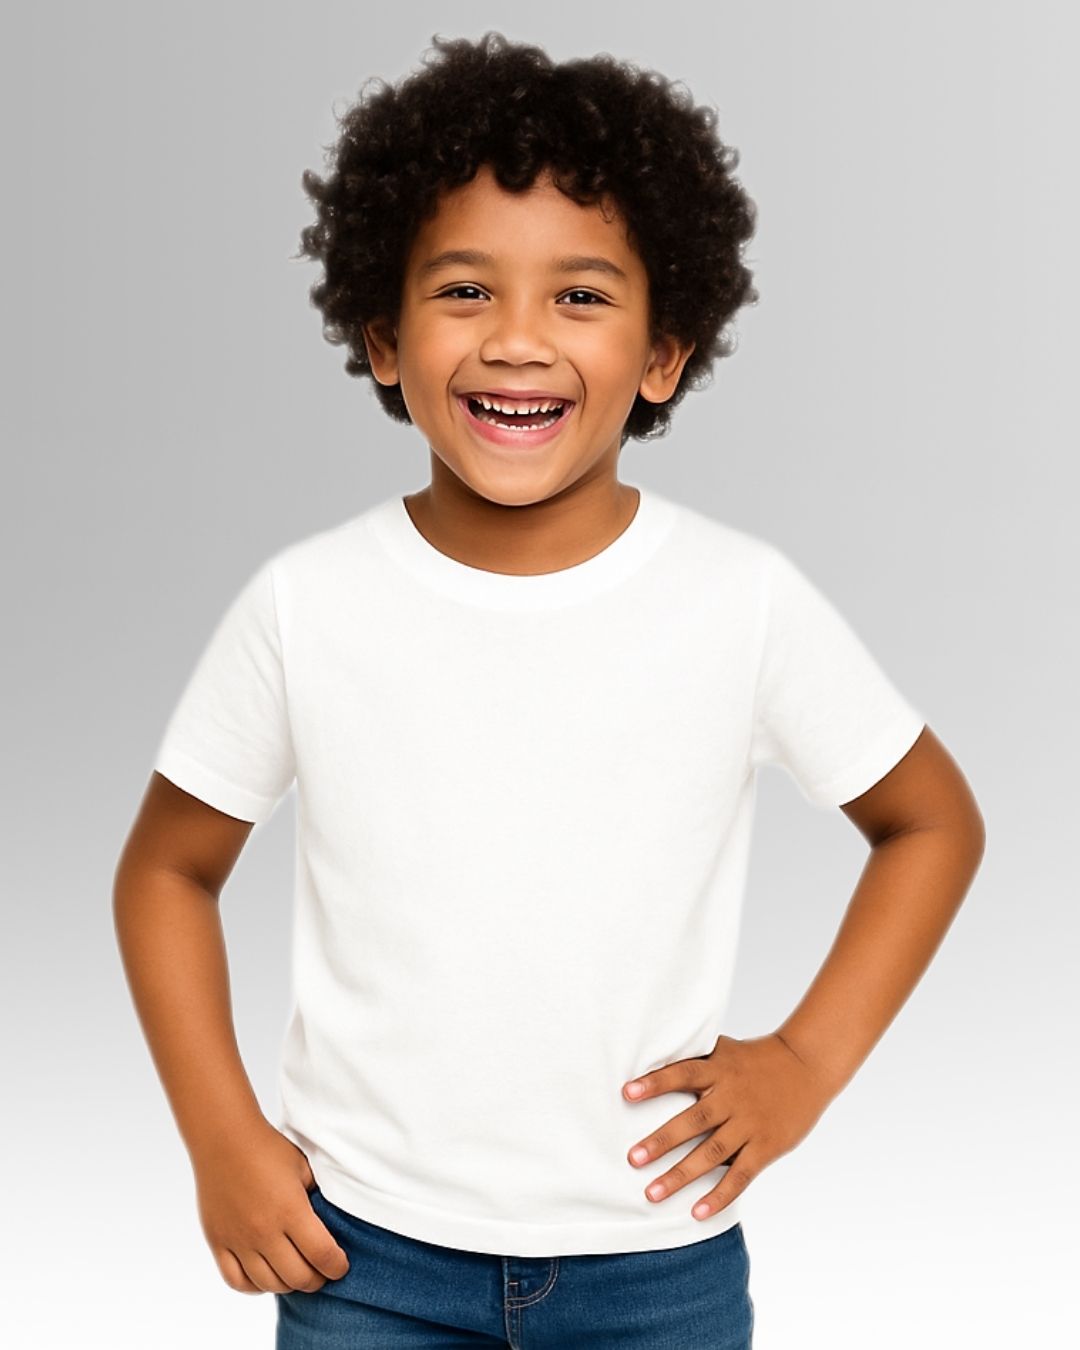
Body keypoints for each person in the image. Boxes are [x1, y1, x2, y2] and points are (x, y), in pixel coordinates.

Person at [113, 31, 985, 1349]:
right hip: (363, 1260)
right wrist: (221, 1136)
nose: (516, 340)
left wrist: (805, 1063)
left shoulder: (740, 601)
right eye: (465, 289)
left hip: (656, 1270)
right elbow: (166, 871)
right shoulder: (307, 604)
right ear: (385, 338)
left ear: (663, 355)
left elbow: (931, 820)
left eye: (579, 295)